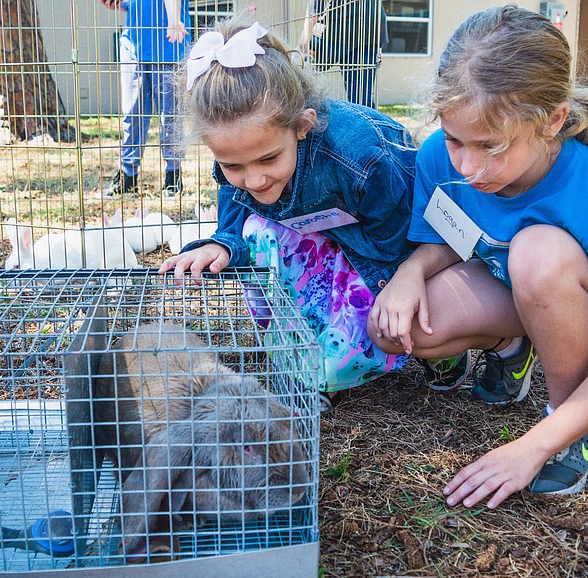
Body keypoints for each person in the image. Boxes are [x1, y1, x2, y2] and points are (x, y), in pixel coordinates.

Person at [368, 6, 588, 507]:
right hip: (519, 290)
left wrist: (530, 448)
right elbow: (444, 236)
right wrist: (409, 274)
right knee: (399, 328)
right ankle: (515, 351)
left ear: (552, 121)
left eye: (490, 146)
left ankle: (572, 424)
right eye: (454, 140)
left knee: (537, 253)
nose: (467, 166)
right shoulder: (438, 159)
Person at [158, 19, 418, 397]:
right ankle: (296, 355)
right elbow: (235, 198)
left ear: (301, 125)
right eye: (233, 166)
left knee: (354, 346)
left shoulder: (360, 159)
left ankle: (417, 351)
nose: (254, 180)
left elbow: (395, 235)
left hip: (380, 247)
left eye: (268, 159)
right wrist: (224, 241)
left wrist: (374, 292)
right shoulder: (244, 161)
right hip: (323, 232)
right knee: (254, 234)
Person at [99, 0, 190, 197]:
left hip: (169, 47)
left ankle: (173, 176)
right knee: (132, 114)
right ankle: (127, 176)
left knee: (171, 117)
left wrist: (174, 20)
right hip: (134, 48)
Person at [298, 0, 387, 108]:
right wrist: (307, 33)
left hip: (362, 30)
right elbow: (316, 8)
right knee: (360, 97)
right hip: (352, 28)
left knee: (360, 97)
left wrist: (307, 32)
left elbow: (316, 9)